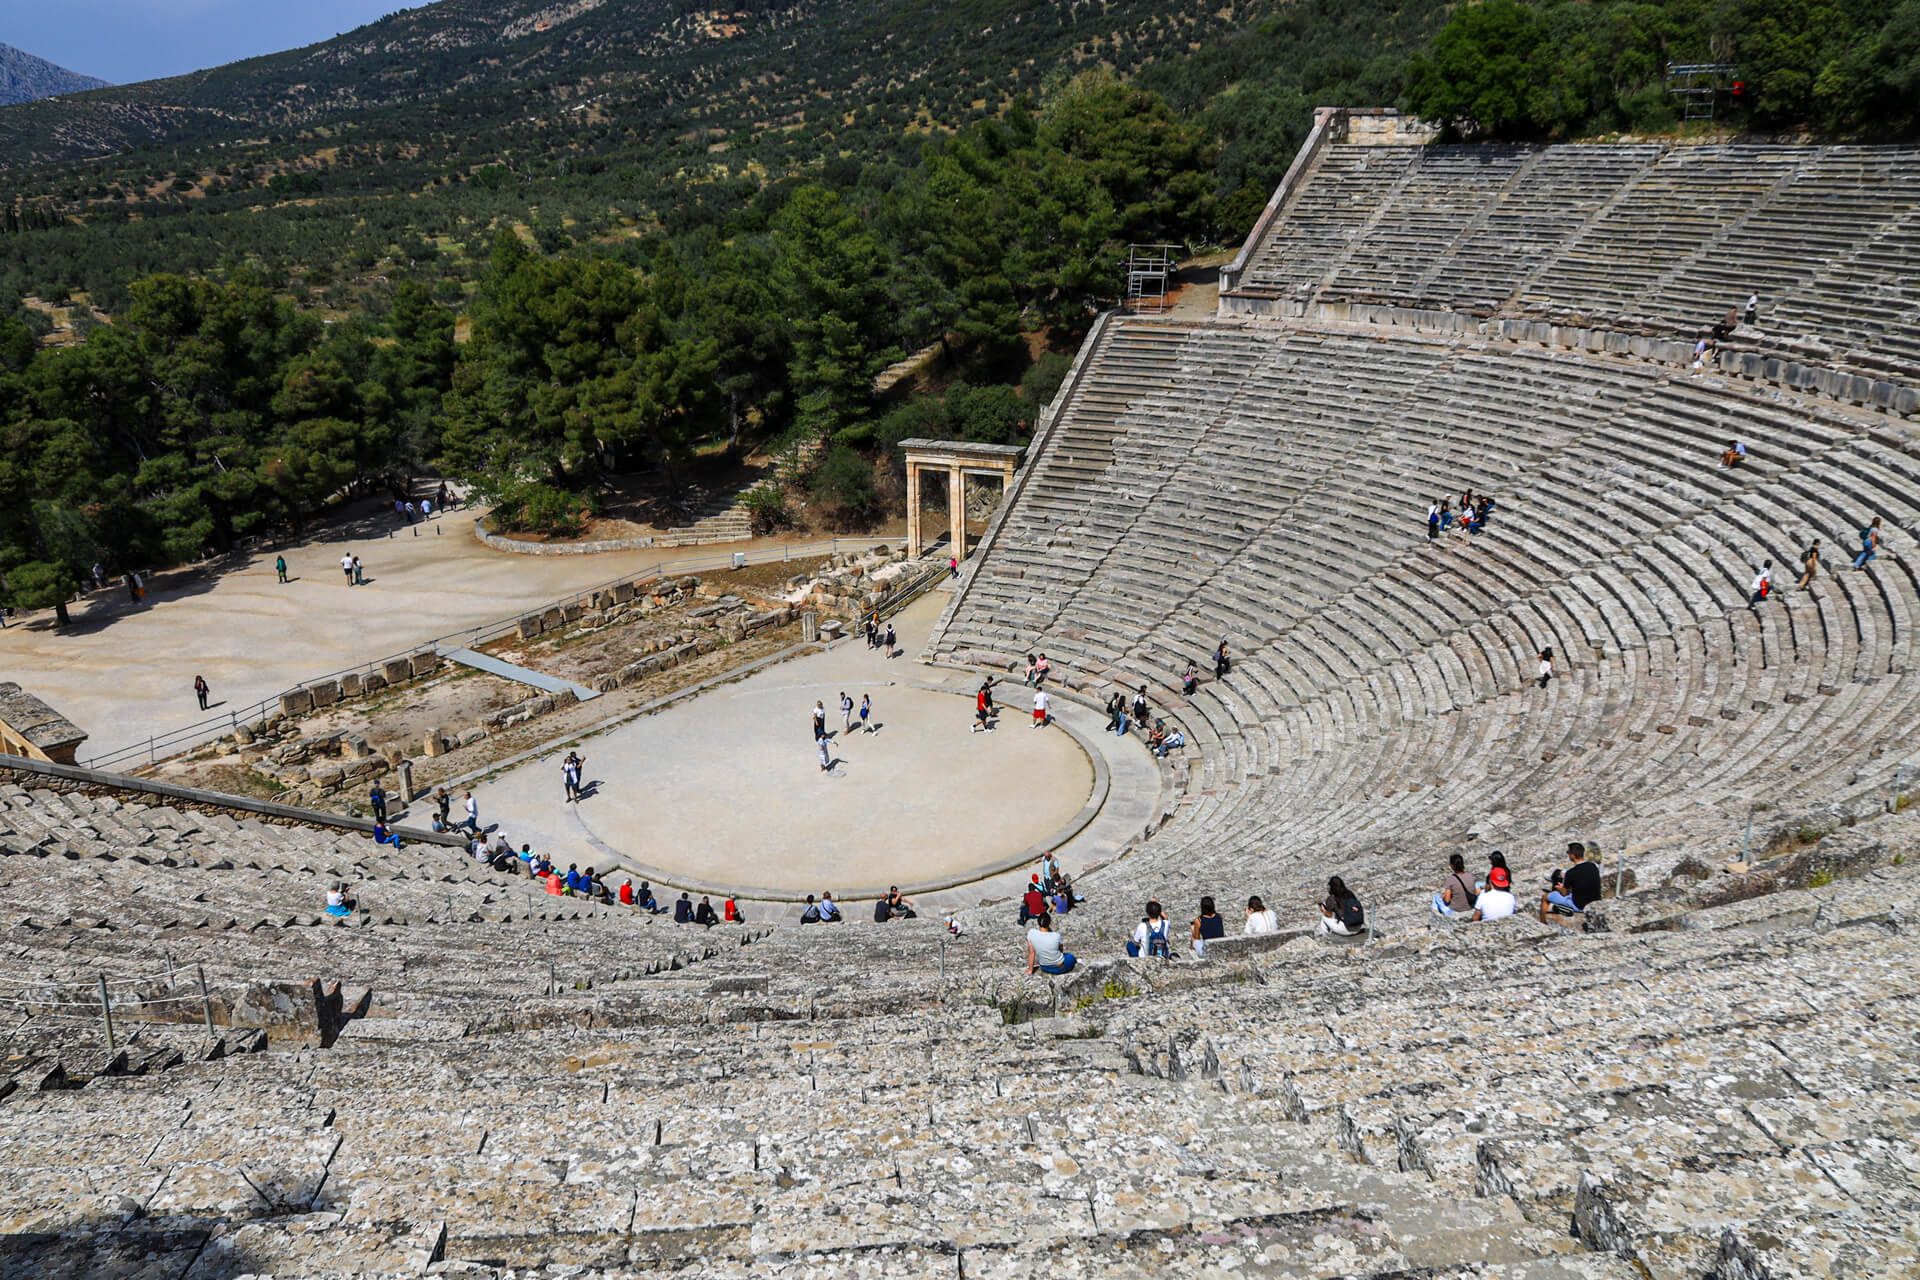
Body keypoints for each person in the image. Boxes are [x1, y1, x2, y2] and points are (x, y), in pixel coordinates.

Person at [1025, 910, 1075, 976]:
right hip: (1061, 967)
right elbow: (1061, 950)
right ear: (1049, 923)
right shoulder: (1056, 935)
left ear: (1038, 922)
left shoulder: (1031, 933)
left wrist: (1030, 970)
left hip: (1045, 967)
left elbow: (1032, 953)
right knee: (1070, 957)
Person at [1431, 853, 1478, 919]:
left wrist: (1443, 897)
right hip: (1470, 906)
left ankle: (1438, 918)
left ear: (1452, 866)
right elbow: (1475, 892)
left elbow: (1447, 900)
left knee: (1436, 897)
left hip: (1456, 909)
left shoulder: (1450, 879)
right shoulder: (1470, 876)